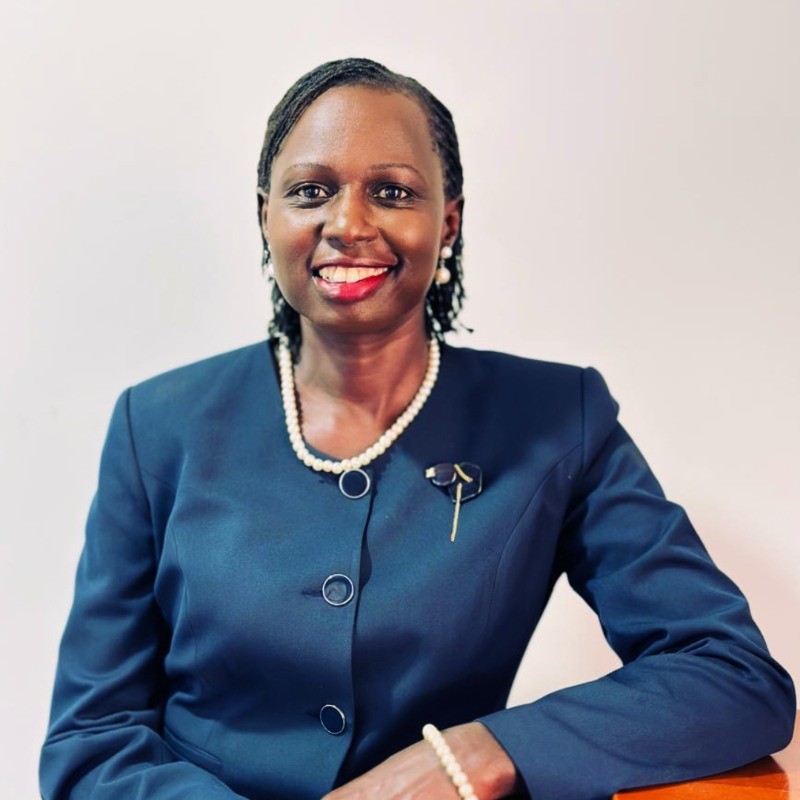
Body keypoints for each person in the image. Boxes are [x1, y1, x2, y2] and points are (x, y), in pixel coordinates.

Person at [40, 57, 794, 800]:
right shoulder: (157, 424)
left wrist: (468, 756)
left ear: (449, 222)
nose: (348, 224)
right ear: (266, 216)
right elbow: (90, 742)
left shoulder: (557, 419)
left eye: (392, 192)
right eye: (311, 192)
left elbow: (732, 675)